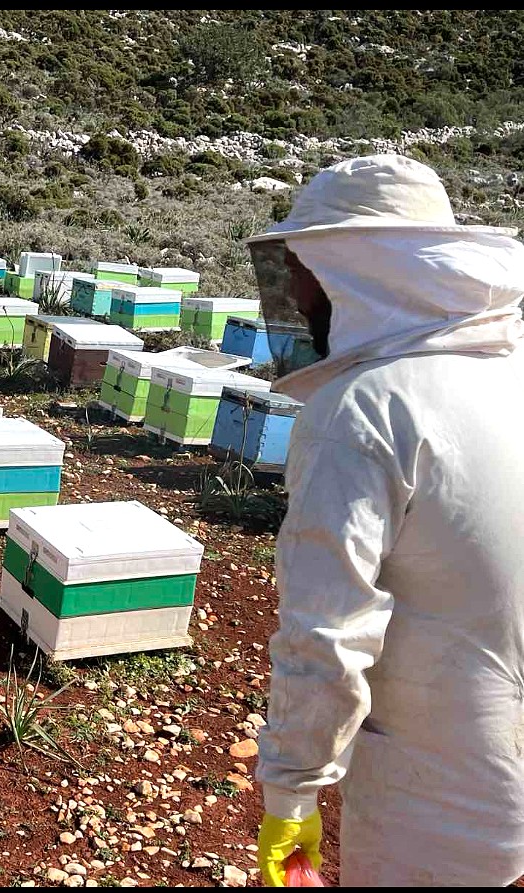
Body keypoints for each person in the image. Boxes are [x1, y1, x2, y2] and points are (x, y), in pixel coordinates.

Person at [249, 154, 524, 886]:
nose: (297, 292)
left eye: (304, 269)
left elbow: (325, 635)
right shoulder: (508, 372)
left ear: (355, 269)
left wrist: (292, 793)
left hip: (434, 791)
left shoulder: (363, 410)